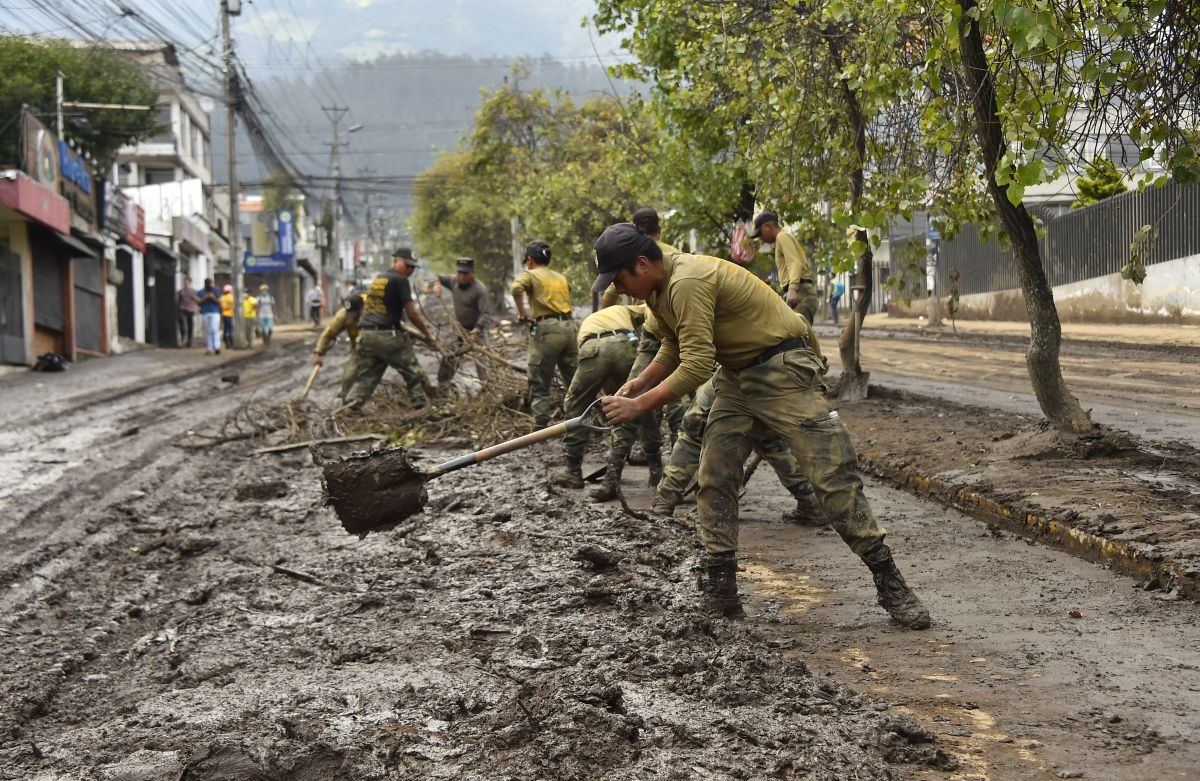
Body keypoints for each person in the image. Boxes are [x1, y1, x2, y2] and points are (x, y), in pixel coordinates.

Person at [593, 222, 929, 628]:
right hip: (736, 378)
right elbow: (672, 343)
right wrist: (640, 382)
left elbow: (697, 364)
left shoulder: (687, 280)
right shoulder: (658, 292)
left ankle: (890, 581)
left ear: (642, 264)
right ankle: (722, 591)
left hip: (782, 368)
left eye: (620, 279)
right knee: (714, 474)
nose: (620, 290)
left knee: (831, 477)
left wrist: (640, 406)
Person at [650, 376, 826, 525]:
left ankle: (665, 505)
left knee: (692, 440)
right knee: (773, 442)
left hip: (727, 388)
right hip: (772, 390)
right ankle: (811, 503)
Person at [554, 303, 653, 496]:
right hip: (626, 346)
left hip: (593, 349)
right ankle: (655, 468)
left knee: (576, 406)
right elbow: (649, 310)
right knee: (633, 403)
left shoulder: (590, 322)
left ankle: (573, 472)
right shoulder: (627, 310)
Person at [344, 248, 435, 409]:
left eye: (412, 267)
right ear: (396, 261)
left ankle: (348, 409)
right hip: (386, 335)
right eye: (407, 265)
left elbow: (385, 309)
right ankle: (423, 409)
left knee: (368, 376)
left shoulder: (381, 278)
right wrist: (427, 334)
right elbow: (412, 313)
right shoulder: (400, 280)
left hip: (367, 335)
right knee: (413, 373)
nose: (410, 270)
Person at [510, 240, 577, 429]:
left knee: (539, 378)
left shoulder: (530, 274)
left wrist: (522, 313)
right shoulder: (561, 277)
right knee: (574, 379)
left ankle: (541, 425)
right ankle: (578, 419)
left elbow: (516, 288)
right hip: (570, 327)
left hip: (547, 330)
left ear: (530, 260)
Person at [749, 212, 821, 325]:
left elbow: (795, 262)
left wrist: (792, 289)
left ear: (768, 226)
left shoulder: (782, 237)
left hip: (800, 292)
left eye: (760, 233)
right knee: (794, 335)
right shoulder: (781, 239)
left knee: (797, 335)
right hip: (799, 291)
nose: (761, 238)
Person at [435, 257, 493, 383]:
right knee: (450, 357)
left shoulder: (480, 289)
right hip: (459, 331)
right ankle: (443, 386)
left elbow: (486, 314)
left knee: (483, 361)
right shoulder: (453, 282)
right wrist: (437, 285)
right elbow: (437, 277)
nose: (461, 276)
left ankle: (488, 387)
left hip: (477, 332)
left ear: (473, 273)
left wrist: (476, 330)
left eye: (465, 273)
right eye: (459, 273)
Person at [314, 292, 364, 403]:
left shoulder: (372, 312)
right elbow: (328, 334)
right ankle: (345, 400)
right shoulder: (343, 316)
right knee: (350, 374)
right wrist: (319, 353)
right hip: (357, 345)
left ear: (362, 308)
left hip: (376, 343)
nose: (353, 316)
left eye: (355, 313)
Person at [198, 278, 222, 355]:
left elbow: (219, 301)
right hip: (205, 312)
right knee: (208, 331)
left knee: (215, 329)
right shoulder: (201, 292)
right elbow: (199, 302)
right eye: (207, 283)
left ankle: (217, 347)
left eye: (209, 283)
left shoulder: (216, 290)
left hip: (214, 312)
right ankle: (209, 348)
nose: (208, 284)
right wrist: (205, 297)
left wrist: (212, 297)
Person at [176, 276, 199, 348]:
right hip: (182, 308)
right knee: (182, 323)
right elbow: (179, 300)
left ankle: (189, 340)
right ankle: (183, 337)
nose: (186, 283)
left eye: (187, 281)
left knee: (190, 325)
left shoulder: (194, 291)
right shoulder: (181, 291)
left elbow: (197, 300)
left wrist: (196, 308)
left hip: (190, 309)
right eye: (185, 281)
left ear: (190, 282)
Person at [219, 284, 235, 349]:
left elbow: (221, 306)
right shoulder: (230, 297)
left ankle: (226, 342)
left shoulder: (222, 297)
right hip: (230, 315)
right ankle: (230, 343)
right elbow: (233, 305)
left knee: (225, 329)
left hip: (223, 314)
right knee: (230, 329)